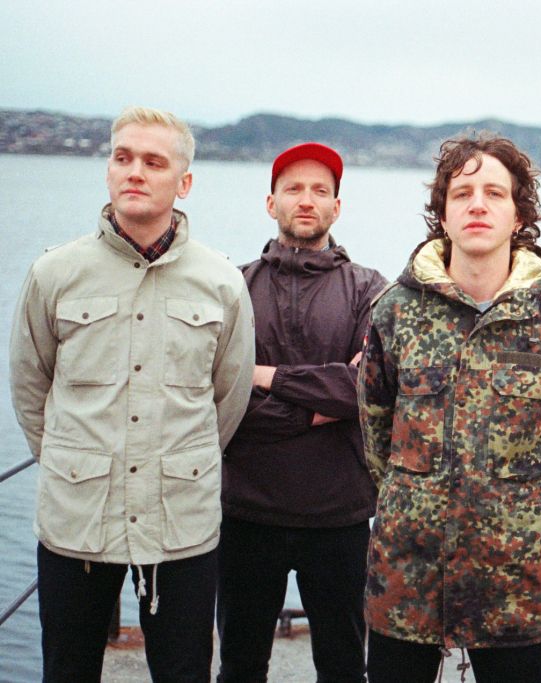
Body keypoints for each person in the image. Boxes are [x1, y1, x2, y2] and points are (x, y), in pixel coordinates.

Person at [9, 106, 255, 682]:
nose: (135, 172)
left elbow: (230, 395)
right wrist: (74, 463)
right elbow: (29, 385)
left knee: (184, 671)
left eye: (153, 161)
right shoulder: (54, 274)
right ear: (108, 171)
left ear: (184, 182)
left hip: (180, 524)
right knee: (67, 670)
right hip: (77, 521)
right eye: (123, 158)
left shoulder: (221, 282)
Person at [358, 133, 541, 683]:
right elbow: (375, 430)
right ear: (442, 215)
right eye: (462, 194)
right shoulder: (395, 311)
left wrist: (512, 506)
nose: (477, 205)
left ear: (519, 215)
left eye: (495, 193)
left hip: (513, 574)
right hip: (408, 572)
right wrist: (420, 496)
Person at [216, 143, 388, 682]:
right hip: (247, 510)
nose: (306, 200)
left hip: (339, 514)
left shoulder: (370, 290)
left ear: (337, 206)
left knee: (343, 666)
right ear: (272, 203)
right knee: (240, 665)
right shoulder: (234, 286)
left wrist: (265, 377)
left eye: (320, 190)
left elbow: (364, 388)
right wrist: (314, 412)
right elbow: (221, 394)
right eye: (293, 189)